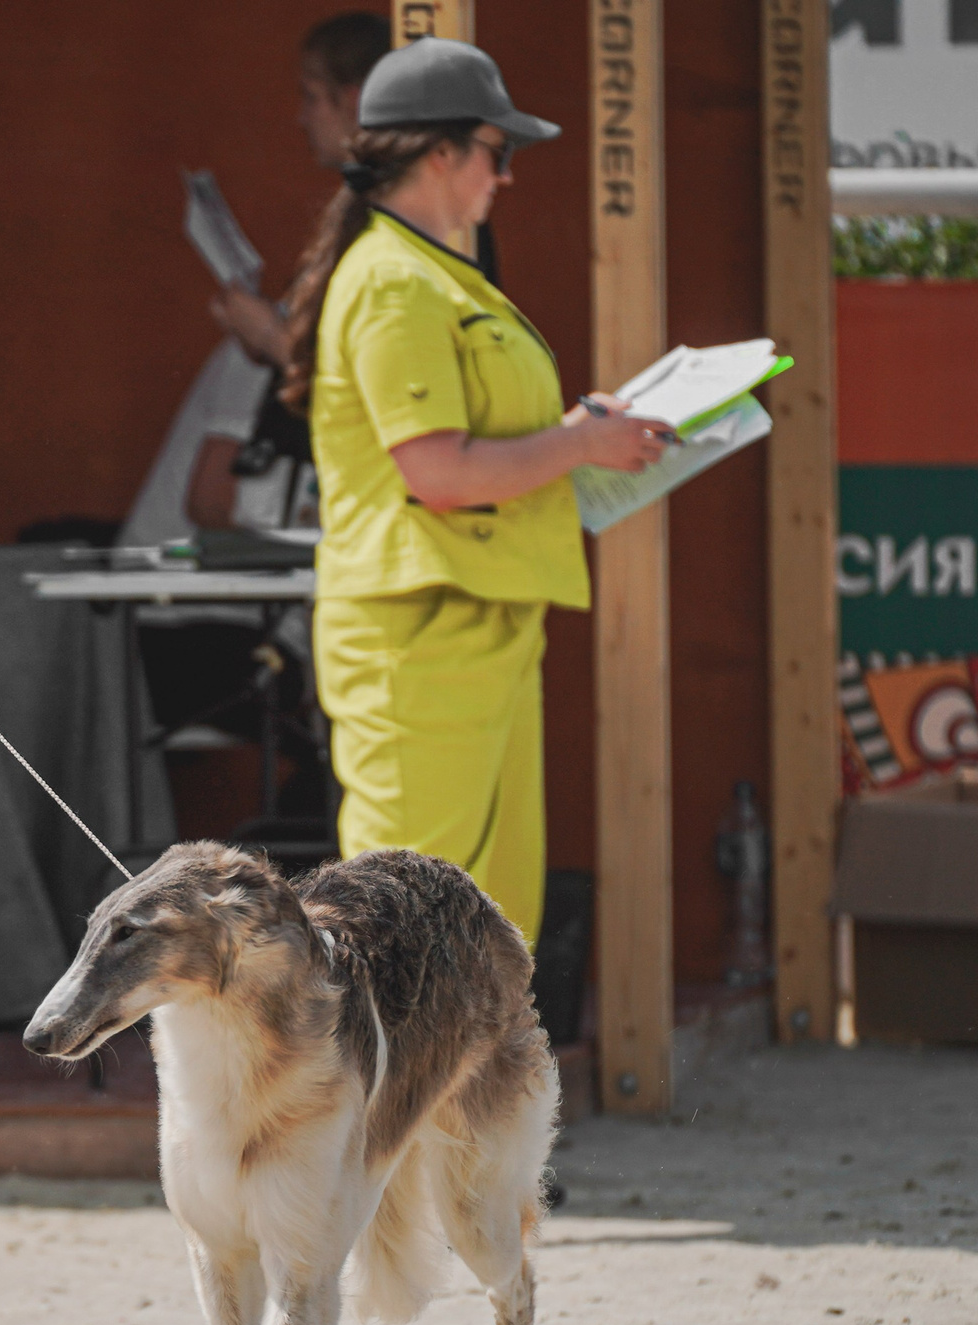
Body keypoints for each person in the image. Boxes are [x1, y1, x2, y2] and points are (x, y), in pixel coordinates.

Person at [286, 37, 670, 945]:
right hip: (418, 638)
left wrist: (583, 434)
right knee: (404, 935)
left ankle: (457, 1096)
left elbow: (476, 447)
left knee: (487, 937)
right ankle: (385, 1096)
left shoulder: (436, 276)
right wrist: (583, 442)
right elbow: (441, 471)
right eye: (501, 152)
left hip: (476, 628)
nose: (507, 178)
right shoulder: (392, 283)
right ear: (442, 152)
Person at [120, 13, 389, 553]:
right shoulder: (357, 221)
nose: (301, 117)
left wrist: (271, 341)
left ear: (356, 101)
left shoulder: (387, 230)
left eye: (312, 97)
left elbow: (372, 381)